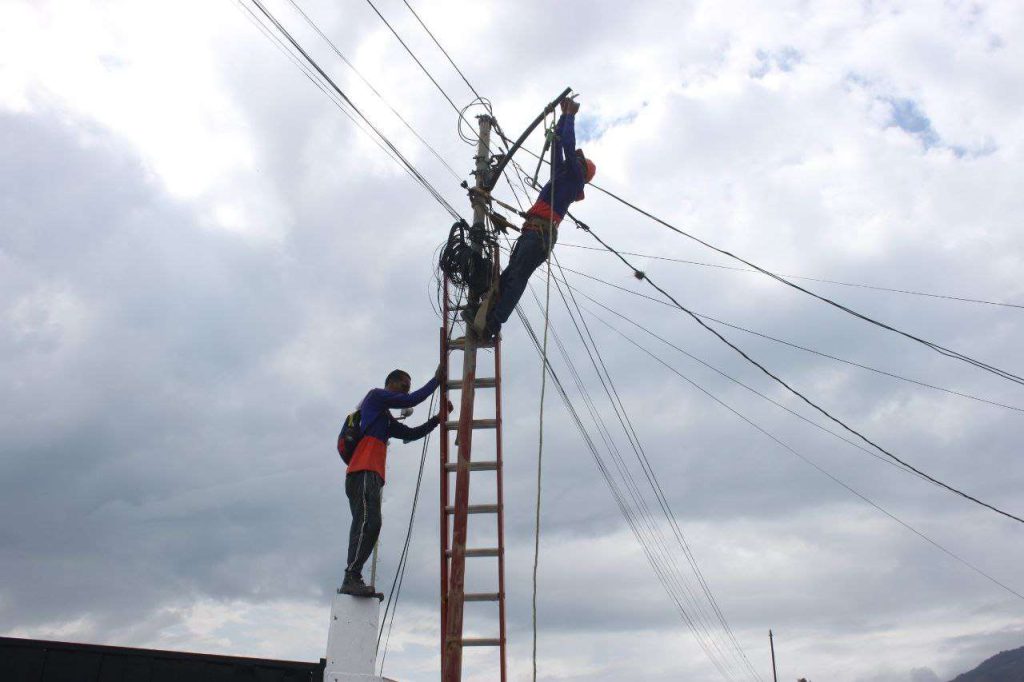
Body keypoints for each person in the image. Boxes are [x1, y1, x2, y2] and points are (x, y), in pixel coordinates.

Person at [475, 98, 596, 338]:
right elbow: (559, 147)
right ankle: (486, 317)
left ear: (581, 169)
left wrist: (570, 116)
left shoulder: (574, 178)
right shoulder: (561, 177)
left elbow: (568, 148)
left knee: (516, 277)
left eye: (578, 161)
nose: (574, 160)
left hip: (539, 235)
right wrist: (561, 117)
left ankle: (493, 323)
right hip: (531, 233)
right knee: (508, 277)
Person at [341, 366, 443, 597]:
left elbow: (410, 433)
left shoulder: (384, 418)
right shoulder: (375, 396)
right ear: (391, 384)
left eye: (408, 388)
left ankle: (353, 575)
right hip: (363, 470)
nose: (406, 392)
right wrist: (436, 380)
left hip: (372, 474)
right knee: (368, 522)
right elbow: (414, 398)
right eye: (403, 386)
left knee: (368, 524)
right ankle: (351, 576)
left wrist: (436, 420)